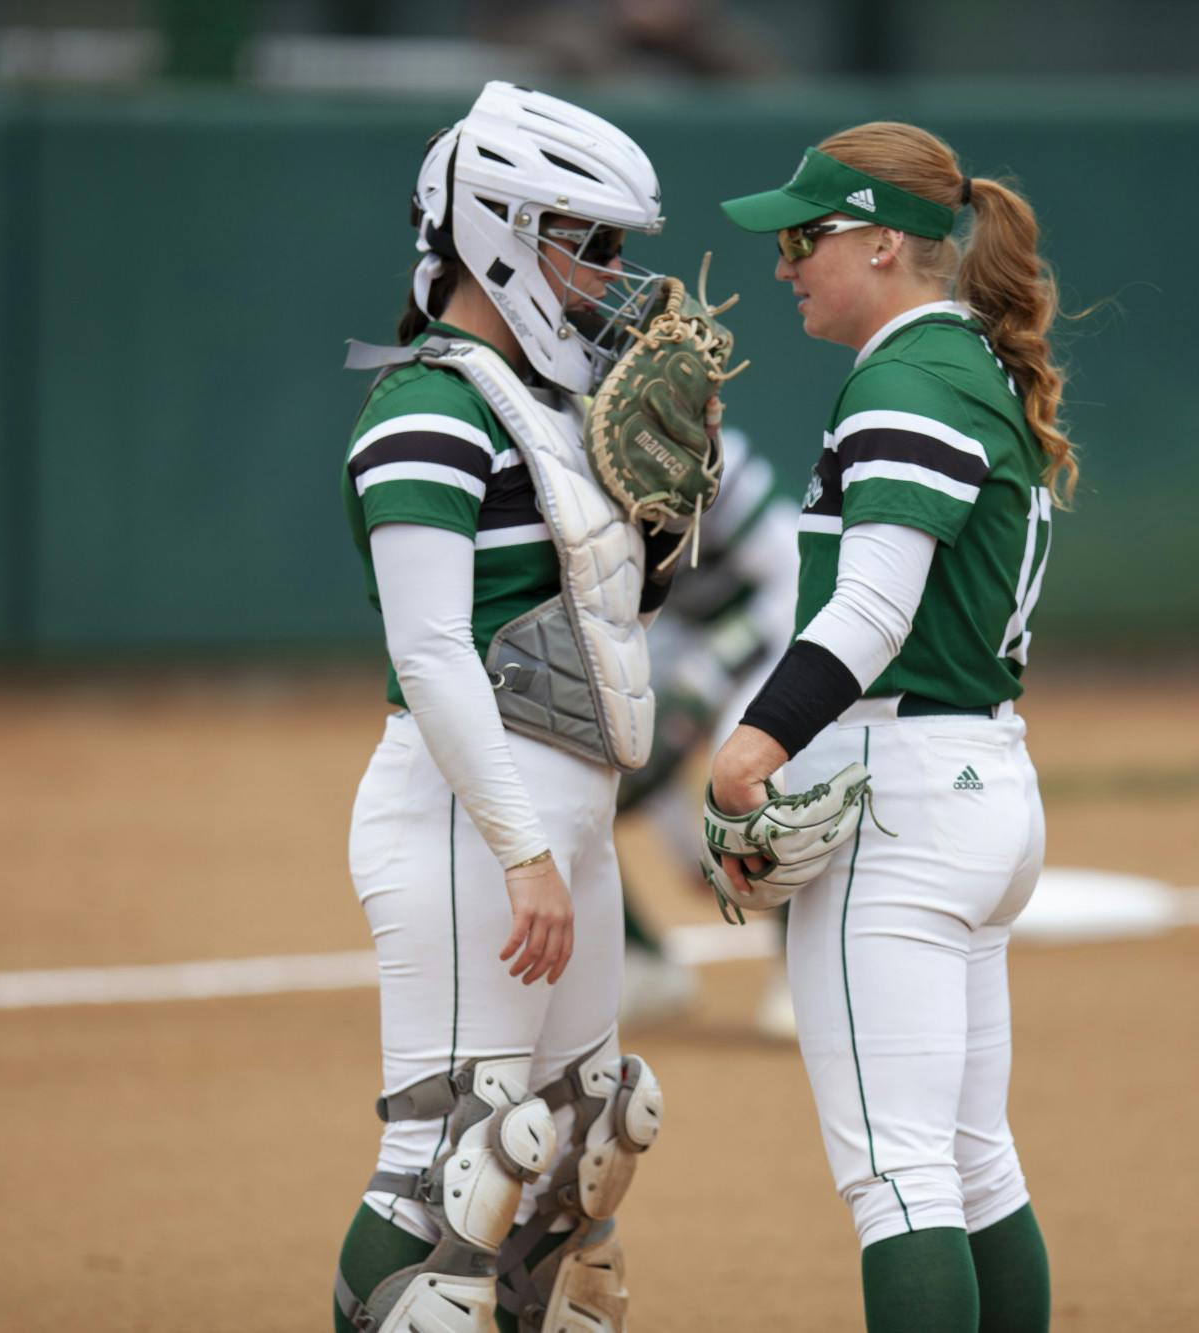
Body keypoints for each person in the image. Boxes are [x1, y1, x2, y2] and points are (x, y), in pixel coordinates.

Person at [707, 122, 1073, 1332]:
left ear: (879, 242)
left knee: (897, 1175)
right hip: (976, 780)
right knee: (969, 1162)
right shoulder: (967, 363)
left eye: (803, 239)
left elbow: (872, 608)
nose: (782, 264)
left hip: (903, 791)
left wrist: (751, 747)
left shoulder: (906, 379)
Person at [331, 81, 678, 1333]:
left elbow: (599, 616)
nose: (611, 277)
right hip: (469, 819)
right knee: (449, 1160)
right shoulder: (426, 405)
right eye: (590, 245)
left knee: (575, 1154)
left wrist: (661, 533)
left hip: (559, 814)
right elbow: (430, 652)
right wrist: (523, 850)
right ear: (500, 234)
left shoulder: (550, 404)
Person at [614, 427, 802, 1037]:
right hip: (678, 634)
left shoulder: (720, 460)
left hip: (776, 623)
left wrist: (716, 666)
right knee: (582, 770)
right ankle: (641, 963)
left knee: (763, 771)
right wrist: (686, 842)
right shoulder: (584, 469)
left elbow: (794, 583)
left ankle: (800, 973)